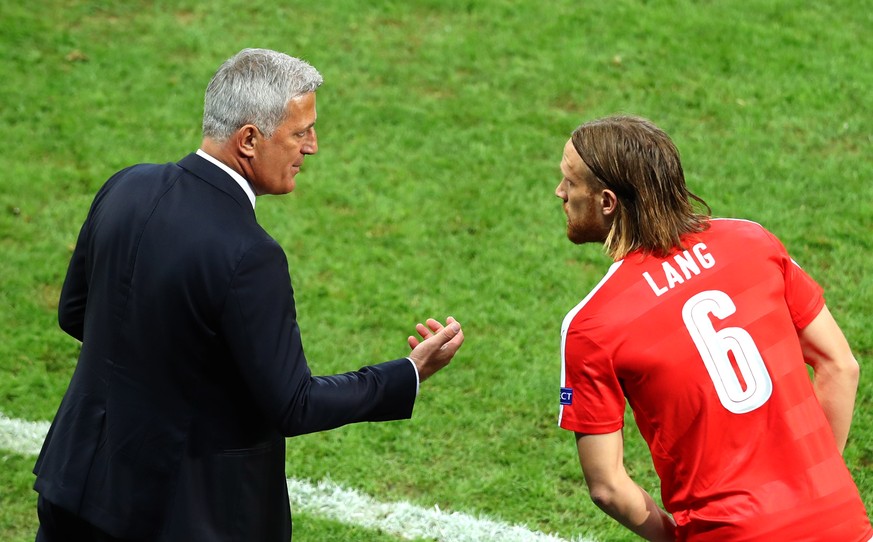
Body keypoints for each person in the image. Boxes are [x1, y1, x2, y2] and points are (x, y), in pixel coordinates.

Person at [32, 48, 465, 542]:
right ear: (250, 140)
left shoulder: (126, 186)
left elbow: (75, 313)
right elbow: (293, 404)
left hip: (75, 488)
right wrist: (407, 373)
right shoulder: (249, 253)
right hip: (176, 518)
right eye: (300, 132)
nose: (313, 147)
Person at [554, 115, 871, 541]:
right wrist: (815, 483)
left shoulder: (593, 325)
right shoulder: (754, 242)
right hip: (840, 523)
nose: (560, 193)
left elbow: (608, 487)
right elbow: (839, 364)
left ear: (607, 201)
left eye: (569, 183)